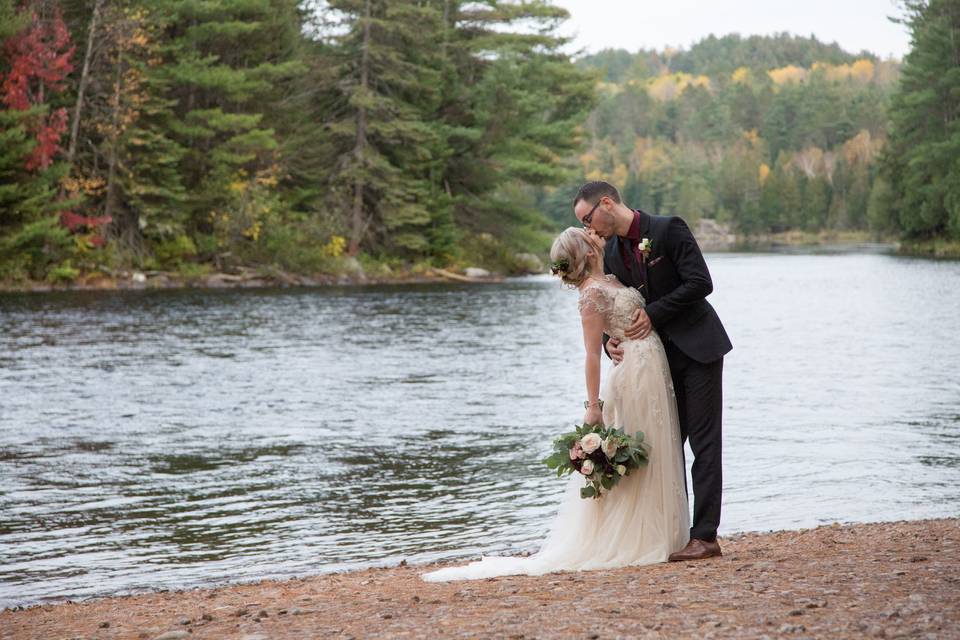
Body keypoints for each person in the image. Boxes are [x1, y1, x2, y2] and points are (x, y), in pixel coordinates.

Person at [421, 226, 689, 582]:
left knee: (658, 447)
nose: (595, 233)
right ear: (588, 251)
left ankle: (664, 532)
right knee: (643, 446)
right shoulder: (590, 293)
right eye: (588, 232)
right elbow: (591, 355)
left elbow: (616, 323)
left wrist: (616, 337)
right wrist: (593, 404)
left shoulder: (610, 277)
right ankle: (635, 537)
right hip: (633, 375)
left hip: (653, 367)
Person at [572, 180, 732, 562]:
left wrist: (654, 314)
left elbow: (701, 283)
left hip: (698, 348)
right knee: (662, 445)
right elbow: (621, 306)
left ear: (606, 204)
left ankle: (705, 536)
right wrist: (613, 341)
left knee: (704, 443)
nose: (590, 230)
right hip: (654, 362)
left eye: (589, 219)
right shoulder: (611, 252)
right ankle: (665, 531)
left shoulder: (667, 229)